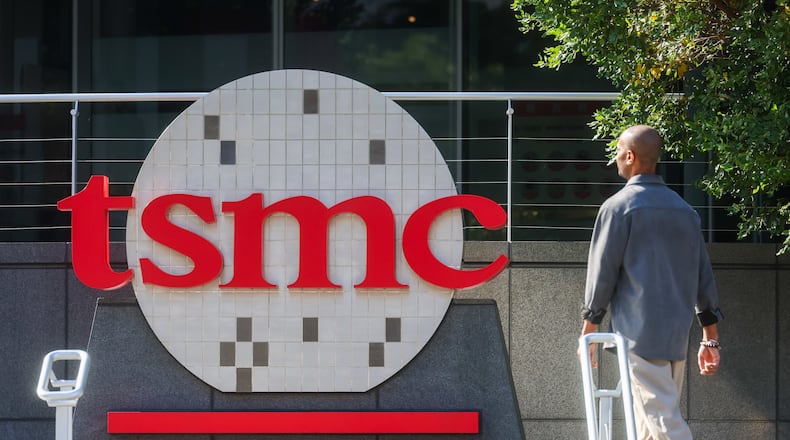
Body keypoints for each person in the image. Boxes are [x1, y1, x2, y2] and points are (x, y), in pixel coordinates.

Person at [580, 125, 723, 440]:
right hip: (675, 336)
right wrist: (710, 338)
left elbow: (602, 273)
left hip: (638, 335)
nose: (615, 157)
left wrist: (589, 327)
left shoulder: (618, 208)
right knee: (647, 429)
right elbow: (704, 277)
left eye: (618, 151)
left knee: (663, 426)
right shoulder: (685, 212)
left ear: (629, 156)